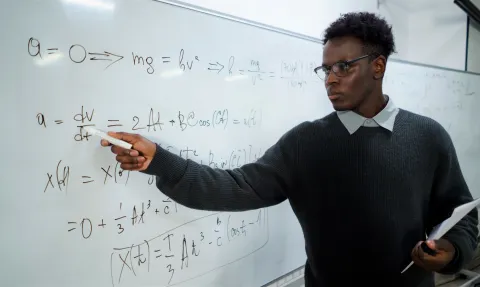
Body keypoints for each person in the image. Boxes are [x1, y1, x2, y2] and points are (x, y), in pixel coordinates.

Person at [101, 12, 478, 287]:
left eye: (344, 67)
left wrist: (451, 251)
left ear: (378, 66)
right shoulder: (306, 143)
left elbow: (462, 216)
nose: (330, 79)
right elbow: (237, 186)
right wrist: (161, 161)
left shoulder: (428, 137)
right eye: (326, 69)